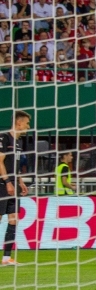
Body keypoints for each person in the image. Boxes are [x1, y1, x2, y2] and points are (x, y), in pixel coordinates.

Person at [0, 111, 30, 266]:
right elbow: (0, 161)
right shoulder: (4, 137)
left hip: (13, 184)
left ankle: (6, 258)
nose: (28, 127)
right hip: (2, 184)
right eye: (26, 123)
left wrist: (20, 181)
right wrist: (7, 182)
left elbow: (15, 165)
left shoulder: (19, 142)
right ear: (19, 123)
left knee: (13, 220)